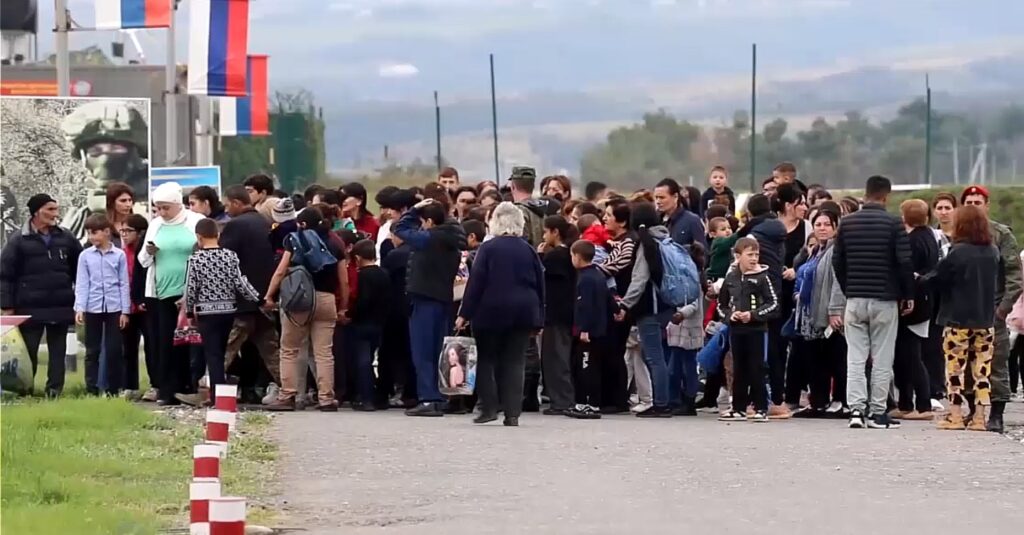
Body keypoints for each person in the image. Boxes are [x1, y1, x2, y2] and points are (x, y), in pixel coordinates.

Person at [832, 175, 915, 430]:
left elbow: (837, 260)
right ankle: (878, 412)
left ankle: (855, 410)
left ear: (866, 194)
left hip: (855, 299)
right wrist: (907, 294)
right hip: (885, 299)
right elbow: (904, 262)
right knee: (882, 358)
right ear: (886, 196)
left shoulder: (847, 223)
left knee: (855, 358)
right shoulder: (893, 224)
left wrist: (849, 289)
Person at [456, 202, 544, 426]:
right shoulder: (528, 249)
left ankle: (489, 408)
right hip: (523, 311)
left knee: (487, 360)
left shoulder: (488, 249)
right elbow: (540, 284)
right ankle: (513, 413)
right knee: (515, 361)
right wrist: (539, 316)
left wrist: (464, 313)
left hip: (490, 310)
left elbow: (476, 283)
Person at [921, 205, 1001, 430]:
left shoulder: (958, 251)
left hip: (957, 319)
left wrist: (918, 280)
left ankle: (955, 415)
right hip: (985, 319)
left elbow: (936, 278)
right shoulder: (993, 251)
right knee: (982, 370)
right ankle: (979, 418)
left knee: (955, 369)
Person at [264, 207, 345, 411]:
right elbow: (344, 280)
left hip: (299, 299)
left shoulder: (294, 239)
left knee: (289, 349)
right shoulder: (336, 242)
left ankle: (288, 395)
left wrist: (269, 295)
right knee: (324, 353)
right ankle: (326, 398)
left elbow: (281, 270)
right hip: (326, 300)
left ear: (302, 224)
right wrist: (343, 306)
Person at [0, 194, 82, 397]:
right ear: (37, 212)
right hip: (29, 306)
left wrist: (80, 301)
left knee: (57, 352)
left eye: (56, 209)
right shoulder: (19, 240)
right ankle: (25, 390)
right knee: (28, 353)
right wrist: (6, 305)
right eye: (50, 209)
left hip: (60, 304)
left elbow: (80, 269)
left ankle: (54, 391)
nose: (56, 214)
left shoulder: (66, 237)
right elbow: (5, 275)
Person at [394, 198, 468, 417]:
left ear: (429, 221)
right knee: (439, 351)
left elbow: (400, 228)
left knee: (423, 351)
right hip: (443, 299)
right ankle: (441, 395)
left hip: (424, 299)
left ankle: (428, 399)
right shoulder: (453, 239)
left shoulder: (428, 239)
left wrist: (413, 208)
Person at [179, 218, 262, 405]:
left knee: (213, 355)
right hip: (228, 311)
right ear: (218, 235)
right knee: (223, 351)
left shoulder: (195, 259)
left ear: (198, 237)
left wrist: (190, 312)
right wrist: (258, 299)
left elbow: (191, 288)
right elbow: (240, 283)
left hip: (206, 314)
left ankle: (217, 397)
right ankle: (224, 393)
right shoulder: (230, 256)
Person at [960, 185, 1022, 433]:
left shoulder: (1001, 234)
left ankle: (996, 414)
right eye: (969, 202)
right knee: (963, 364)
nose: (974, 206)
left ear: (987, 205)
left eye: (978, 202)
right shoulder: (958, 233)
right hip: (963, 311)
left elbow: (1015, 275)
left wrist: (1003, 308)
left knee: (997, 362)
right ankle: (974, 410)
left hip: (992, 309)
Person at [138, 182, 205, 405]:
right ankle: (167, 390)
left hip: (190, 292)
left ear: (178, 204)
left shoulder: (194, 221)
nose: (162, 212)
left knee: (190, 342)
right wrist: (149, 251)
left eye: (166, 207)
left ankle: (190, 386)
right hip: (161, 293)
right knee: (165, 342)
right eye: (158, 208)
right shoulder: (155, 225)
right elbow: (143, 260)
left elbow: (206, 250)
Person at [219, 185, 282, 404]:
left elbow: (224, 261)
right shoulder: (264, 223)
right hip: (264, 297)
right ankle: (292, 388)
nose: (226, 210)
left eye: (227, 205)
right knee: (272, 349)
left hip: (242, 300)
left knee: (225, 346)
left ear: (237, 202)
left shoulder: (235, 226)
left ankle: (207, 387)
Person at [615, 202, 674, 418]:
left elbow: (640, 279)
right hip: (666, 304)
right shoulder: (664, 237)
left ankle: (661, 403)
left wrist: (625, 304)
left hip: (649, 307)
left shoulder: (646, 244)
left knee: (654, 357)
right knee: (660, 356)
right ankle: (665, 400)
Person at [717, 237, 780, 422]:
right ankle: (738, 408)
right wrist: (731, 316)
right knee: (739, 369)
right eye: (750, 254)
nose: (754, 258)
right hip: (737, 330)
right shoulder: (731, 278)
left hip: (757, 330)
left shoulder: (762, 277)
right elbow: (722, 305)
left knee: (757, 368)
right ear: (738, 256)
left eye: (756, 254)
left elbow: (773, 304)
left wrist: (753, 315)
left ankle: (761, 407)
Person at [792, 209, 848, 417]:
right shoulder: (816, 250)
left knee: (836, 358)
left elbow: (837, 284)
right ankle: (819, 400)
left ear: (835, 227)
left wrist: (835, 310)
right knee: (816, 360)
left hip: (830, 314)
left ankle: (841, 401)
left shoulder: (836, 251)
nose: (822, 228)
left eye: (827, 224)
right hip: (810, 315)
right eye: (818, 224)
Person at [736, 193, 787, 416]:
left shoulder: (754, 236)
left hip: (756, 298)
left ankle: (756, 402)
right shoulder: (778, 232)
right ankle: (777, 400)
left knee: (755, 354)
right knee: (774, 351)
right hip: (775, 295)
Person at [891, 199, 940, 421]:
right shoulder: (930, 236)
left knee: (909, 356)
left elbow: (906, 270)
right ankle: (907, 403)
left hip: (912, 306)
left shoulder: (911, 241)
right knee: (909, 354)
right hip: (925, 303)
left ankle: (920, 405)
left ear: (904, 217)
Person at [74, 214, 130, 396]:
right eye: (89, 233)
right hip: (93, 307)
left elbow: (123, 283)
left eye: (95, 233)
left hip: (114, 307)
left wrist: (125, 310)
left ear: (106, 232)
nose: (91, 237)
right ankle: (92, 388)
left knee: (114, 349)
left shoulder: (119, 255)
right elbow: (82, 282)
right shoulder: (85, 256)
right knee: (92, 350)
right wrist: (80, 307)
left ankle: (114, 388)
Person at [565, 239, 615, 419]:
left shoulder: (585, 279)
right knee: (593, 366)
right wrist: (617, 311)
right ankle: (592, 402)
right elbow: (608, 297)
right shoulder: (598, 274)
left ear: (577, 257)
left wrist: (583, 329)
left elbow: (585, 305)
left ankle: (585, 403)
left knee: (585, 367)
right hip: (601, 328)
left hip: (588, 331)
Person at [596, 199, 636, 412]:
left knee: (614, 352)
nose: (605, 218)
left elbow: (619, 265)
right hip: (616, 303)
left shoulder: (628, 242)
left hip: (621, 304)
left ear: (621, 221)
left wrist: (592, 270)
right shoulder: (617, 241)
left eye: (609, 215)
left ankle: (616, 399)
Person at [345, 239, 391, 411]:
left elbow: (363, 300)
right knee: (371, 358)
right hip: (379, 323)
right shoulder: (384, 274)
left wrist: (350, 314)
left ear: (357, 257)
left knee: (362, 361)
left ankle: (366, 397)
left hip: (362, 323)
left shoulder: (362, 276)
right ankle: (376, 394)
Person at [539, 215, 576, 415]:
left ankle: (561, 400)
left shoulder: (556, 256)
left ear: (555, 232)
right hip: (566, 312)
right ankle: (562, 398)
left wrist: (540, 256)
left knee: (555, 358)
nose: (544, 236)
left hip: (555, 313)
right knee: (560, 356)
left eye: (546, 231)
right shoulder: (569, 253)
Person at [665, 243, 705, 416]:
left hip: (688, 329)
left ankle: (688, 400)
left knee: (686, 367)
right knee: (676, 366)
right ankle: (678, 398)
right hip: (678, 329)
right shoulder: (687, 276)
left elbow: (694, 303)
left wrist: (681, 313)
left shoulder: (693, 278)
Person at [119, 214, 152, 399]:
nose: (124, 234)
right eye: (122, 230)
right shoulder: (121, 253)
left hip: (144, 307)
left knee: (151, 347)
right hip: (127, 308)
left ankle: (155, 384)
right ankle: (129, 386)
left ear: (140, 232)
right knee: (127, 348)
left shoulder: (144, 252)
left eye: (128, 231)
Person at [653, 178, 706, 248]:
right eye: (656, 198)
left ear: (675, 197)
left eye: (662, 198)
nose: (658, 202)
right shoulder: (655, 221)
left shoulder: (692, 221)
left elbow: (703, 251)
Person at [707, 217, 738, 282]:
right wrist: (742, 232)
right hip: (716, 278)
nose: (727, 230)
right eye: (723, 229)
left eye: (729, 228)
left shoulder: (731, 243)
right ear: (713, 234)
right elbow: (731, 240)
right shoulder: (718, 242)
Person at [932, 192, 957, 257]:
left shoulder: (964, 234)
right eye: (940, 208)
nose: (943, 212)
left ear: (955, 210)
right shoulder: (930, 235)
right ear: (934, 212)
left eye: (947, 208)